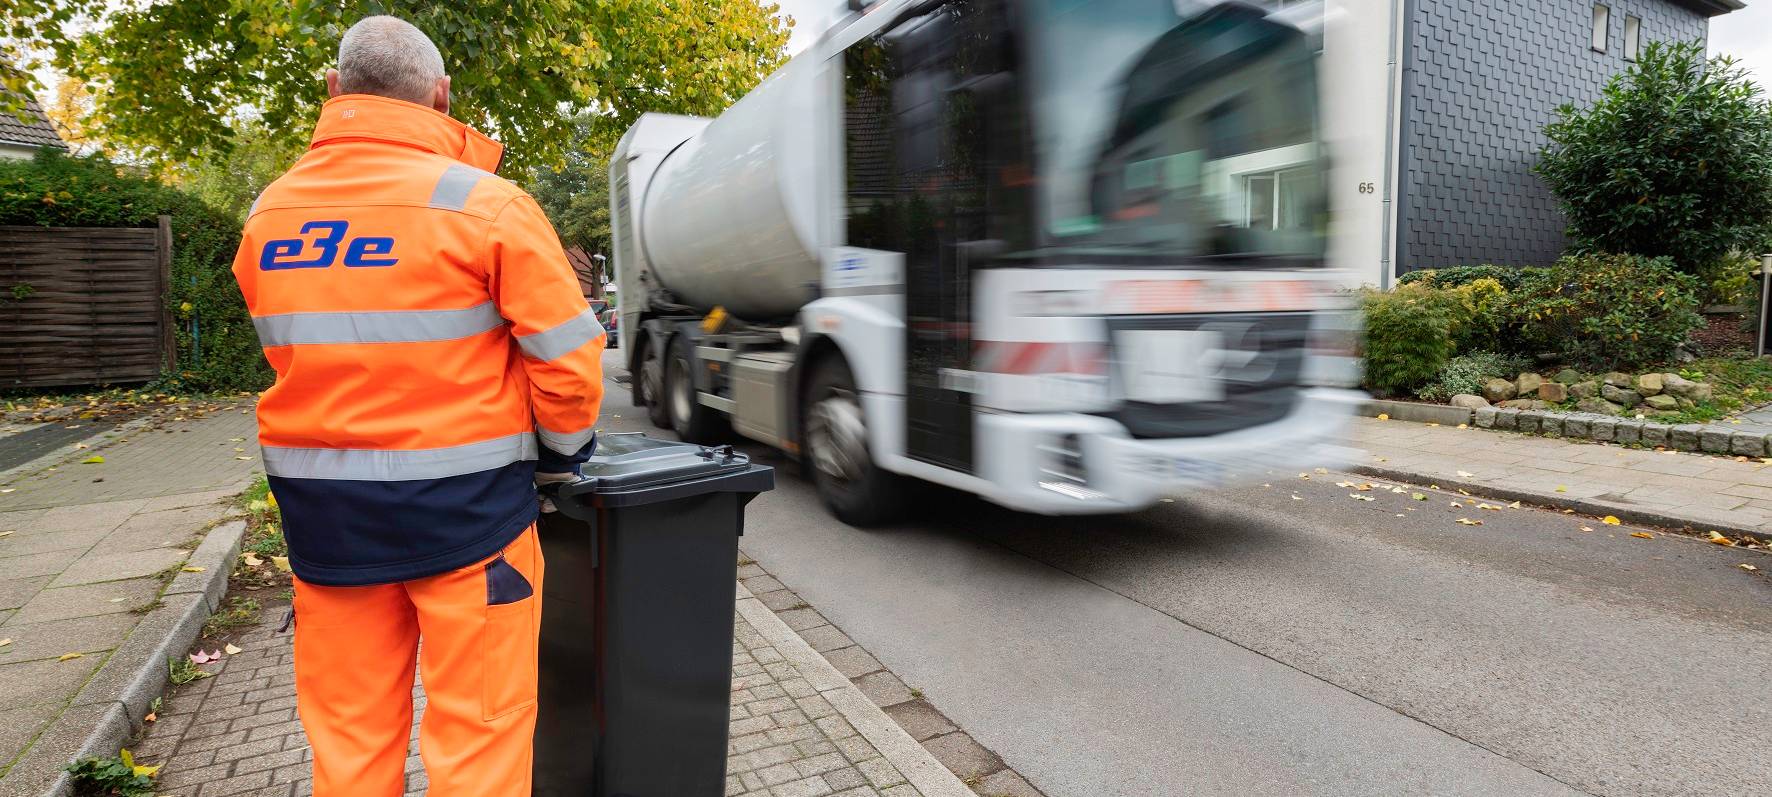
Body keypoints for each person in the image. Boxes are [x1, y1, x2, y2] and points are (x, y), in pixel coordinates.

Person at [229, 16, 604, 796]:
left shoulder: (270, 214)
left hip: (328, 528)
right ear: (442, 96)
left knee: (350, 743)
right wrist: (562, 457)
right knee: (479, 741)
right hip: (473, 527)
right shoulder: (487, 205)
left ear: (334, 90)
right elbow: (568, 359)